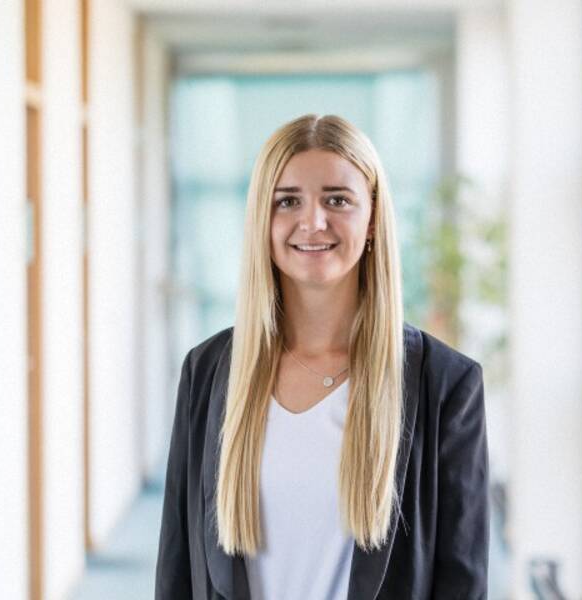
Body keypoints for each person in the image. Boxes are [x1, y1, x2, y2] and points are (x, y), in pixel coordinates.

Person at [155, 114, 489, 600]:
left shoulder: (445, 384)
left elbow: (462, 584)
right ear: (262, 221)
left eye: (337, 199)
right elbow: (177, 572)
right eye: (287, 201)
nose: (313, 221)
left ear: (372, 217)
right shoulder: (207, 372)